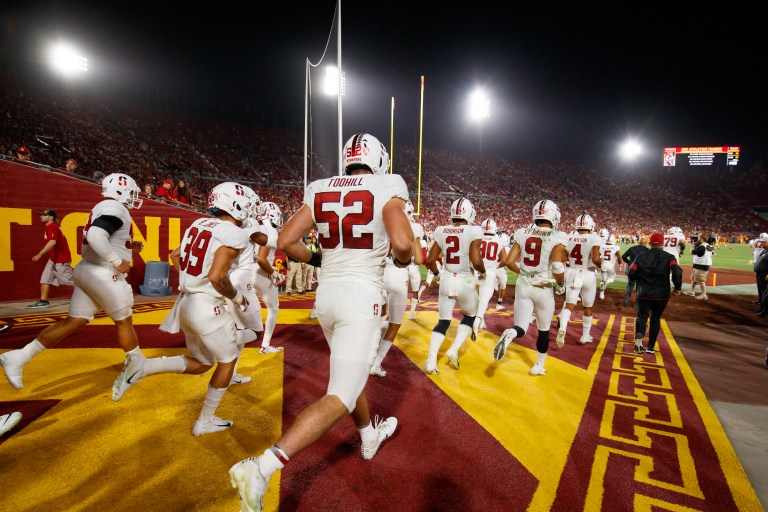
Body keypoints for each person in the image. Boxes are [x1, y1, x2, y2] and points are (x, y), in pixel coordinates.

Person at [229, 132, 413, 510]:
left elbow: (285, 241)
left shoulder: (321, 187)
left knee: (351, 372)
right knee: (339, 394)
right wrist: (403, 262)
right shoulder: (388, 184)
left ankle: (368, 437)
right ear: (380, 160)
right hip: (361, 297)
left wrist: (320, 260)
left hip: (326, 296)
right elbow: (404, 243)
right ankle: (261, 467)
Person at [136, 182, 273, 436]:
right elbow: (216, 277)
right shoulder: (233, 233)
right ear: (236, 205)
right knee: (227, 360)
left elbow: (176, 255)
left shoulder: (197, 224)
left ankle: (144, 367)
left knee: (202, 362)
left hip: (185, 301)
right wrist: (237, 299)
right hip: (207, 305)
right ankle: (204, 422)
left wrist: (190, 280)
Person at [0, 173, 149, 397]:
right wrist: (118, 261)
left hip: (87, 269)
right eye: (132, 191)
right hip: (103, 273)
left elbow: (101, 237)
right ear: (120, 190)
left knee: (75, 321)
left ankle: (18, 357)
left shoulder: (104, 206)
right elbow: (98, 235)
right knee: (124, 321)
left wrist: (128, 246)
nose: (135, 196)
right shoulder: (115, 208)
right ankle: (136, 365)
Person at [493, 199, 568, 376]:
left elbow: (508, 261)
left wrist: (524, 274)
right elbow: (557, 266)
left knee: (521, 326)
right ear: (554, 215)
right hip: (543, 286)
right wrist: (561, 284)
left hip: (524, 284)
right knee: (543, 329)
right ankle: (539, 366)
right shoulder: (558, 235)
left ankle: (511, 333)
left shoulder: (522, 232)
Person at [423, 197, 485, 373]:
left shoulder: (442, 230)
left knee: (443, 321)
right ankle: (454, 349)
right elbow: (475, 259)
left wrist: (436, 274)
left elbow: (430, 259)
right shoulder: (474, 230)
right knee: (471, 315)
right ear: (469, 213)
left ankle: (431, 361)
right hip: (465, 278)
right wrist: (483, 271)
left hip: (447, 277)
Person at [370, 199, 424, 377]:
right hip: (398, 274)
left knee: (379, 314)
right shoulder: (413, 227)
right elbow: (418, 259)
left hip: (378, 273)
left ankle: (367, 353)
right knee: (395, 322)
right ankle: (376, 363)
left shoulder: (381, 222)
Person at [628, 232, 683, 354]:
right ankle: (651, 347)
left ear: (650, 243)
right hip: (661, 293)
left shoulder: (641, 256)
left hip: (643, 292)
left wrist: (640, 279)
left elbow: (631, 273)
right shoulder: (669, 257)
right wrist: (677, 287)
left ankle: (639, 341)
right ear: (663, 243)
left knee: (642, 317)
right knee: (656, 319)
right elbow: (677, 272)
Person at [555, 213, 603, 347]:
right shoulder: (594, 238)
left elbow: (563, 258)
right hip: (588, 273)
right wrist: (602, 266)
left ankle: (563, 327)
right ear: (590, 225)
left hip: (572, 272)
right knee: (588, 306)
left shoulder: (568, 236)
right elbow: (595, 259)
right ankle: (585, 335)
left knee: (569, 304)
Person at [254, 201, 286, 354]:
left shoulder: (254, 227)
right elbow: (261, 259)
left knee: (243, 309)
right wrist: (273, 273)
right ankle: (265, 345)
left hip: (245, 273)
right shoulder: (267, 230)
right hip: (260, 273)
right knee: (273, 309)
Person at [28, 209, 74, 309]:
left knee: (72, 282)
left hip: (61, 260)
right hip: (53, 259)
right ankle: (43, 301)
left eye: (44, 215)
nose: (41, 217)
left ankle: (94, 297)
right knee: (45, 279)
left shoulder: (52, 226)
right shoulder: (51, 227)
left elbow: (52, 242)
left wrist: (39, 255)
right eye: (41, 215)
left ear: (51, 217)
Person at [473, 218, 508, 340]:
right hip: (490, 272)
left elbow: (470, 256)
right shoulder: (499, 240)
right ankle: (477, 321)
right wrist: (495, 266)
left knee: (477, 298)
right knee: (484, 300)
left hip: (477, 270)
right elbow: (505, 260)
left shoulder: (476, 239)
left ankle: (481, 321)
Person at [405, 201, 425, 319]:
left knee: (394, 290)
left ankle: (389, 313)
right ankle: (411, 313)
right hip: (413, 264)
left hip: (397, 264)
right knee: (415, 290)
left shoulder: (393, 225)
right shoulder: (417, 227)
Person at [621, 235, 649, 307]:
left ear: (639, 242)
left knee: (630, 285)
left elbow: (623, 256)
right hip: (641, 270)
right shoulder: (647, 251)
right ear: (646, 243)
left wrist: (628, 262)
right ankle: (637, 303)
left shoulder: (632, 248)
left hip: (632, 269)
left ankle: (627, 297)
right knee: (639, 286)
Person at [685, 234, 714, 300]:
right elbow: (712, 253)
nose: (698, 239)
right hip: (700, 265)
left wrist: (692, 247)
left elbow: (691, 252)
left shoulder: (702, 246)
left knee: (701, 281)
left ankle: (704, 294)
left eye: (699, 238)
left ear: (701, 239)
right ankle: (692, 291)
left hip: (702, 265)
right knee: (694, 278)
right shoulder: (708, 246)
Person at [598, 234, 621, 300]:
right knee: (612, 278)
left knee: (602, 280)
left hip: (603, 265)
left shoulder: (602, 246)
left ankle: (601, 294)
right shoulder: (616, 247)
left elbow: (598, 256)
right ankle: (608, 281)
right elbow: (619, 257)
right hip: (610, 265)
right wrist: (620, 265)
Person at [752, 233, 768, 317]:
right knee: (761, 292)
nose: (761, 243)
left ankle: (764, 310)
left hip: (765, 275)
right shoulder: (764, 250)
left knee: (764, 293)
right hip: (760, 274)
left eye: (763, 242)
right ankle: (762, 308)